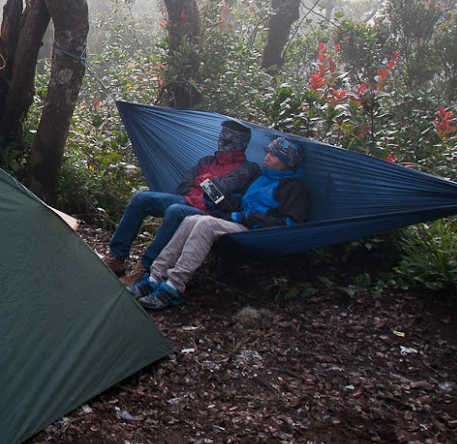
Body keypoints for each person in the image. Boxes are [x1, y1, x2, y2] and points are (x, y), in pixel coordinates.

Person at [129, 136, 311, 310]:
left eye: (274, 155)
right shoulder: (262, 179)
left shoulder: (292, 187)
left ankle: (174, 286)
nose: (267, 157)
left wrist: (246, 218)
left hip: (256, 233)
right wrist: (217, 201)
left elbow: (290, 223)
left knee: (205, 224)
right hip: (241, 223)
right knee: (190, 219)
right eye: (268, 152)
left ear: (287, 162)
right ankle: (154, 277)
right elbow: (240, 204)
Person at [104, 120, 260, 280]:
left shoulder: (247, 169)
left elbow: (219, 195)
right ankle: (117, 257)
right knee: (141, 199)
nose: (222, 141)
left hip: (212, 214)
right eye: (221, 136)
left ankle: (145, 267)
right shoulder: (207, 161)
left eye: (228, 140)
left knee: (175, 211)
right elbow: (184, 186)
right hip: (188, 200)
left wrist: (204, 182)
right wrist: (209, 184)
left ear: (241, 143)